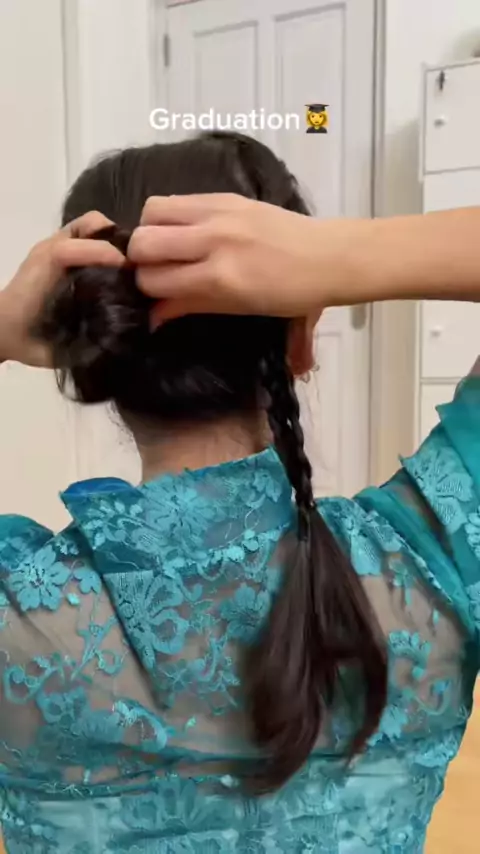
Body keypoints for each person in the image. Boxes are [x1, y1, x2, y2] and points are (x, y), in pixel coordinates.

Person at [0, 131, 479, 853]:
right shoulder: (432, 563)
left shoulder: (19, 615)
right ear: (302, 335)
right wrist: (342, 258)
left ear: (88, 352)